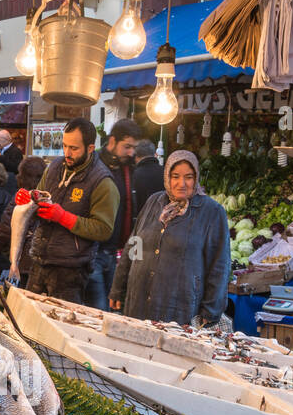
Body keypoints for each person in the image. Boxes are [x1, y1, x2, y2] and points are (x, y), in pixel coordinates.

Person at [109, 150, 230, 327]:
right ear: (167, 177)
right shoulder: (153, 202)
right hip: (138, 302)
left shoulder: (211, 212)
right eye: (175, 176)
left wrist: (211, 310)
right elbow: (134, 245)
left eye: (188, 177)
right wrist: (118, 289)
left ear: (196, 178)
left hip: (179, 307)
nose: (181, 184)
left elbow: (220, 265)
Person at [23, 118, 117, 303]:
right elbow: (37, 201)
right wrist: (29, 201)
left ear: (90, 148)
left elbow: (103, 229)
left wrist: (63, 217)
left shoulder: (103, 182)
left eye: (74, 148)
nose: (67, 153)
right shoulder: (53, 167)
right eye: (64, 146)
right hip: (39, 261)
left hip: (70, 271)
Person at [87, 118, 141, 310]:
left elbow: (133, 213)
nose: (131, 152)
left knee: (112, 312)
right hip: (93, 253)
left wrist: (135, 255)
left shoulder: (127, 169)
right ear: (112, 141)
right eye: (127, 146)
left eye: (133, 147)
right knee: (99, 312)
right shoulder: (93, 165)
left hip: (115, 254)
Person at [0, 154, 46, 287]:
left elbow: (5, 229)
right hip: (40, 261)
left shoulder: (20, 198)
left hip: (22, 261)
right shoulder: (45, 198)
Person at [131, 138, 163, 218]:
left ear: (136, 156)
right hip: (163, 221)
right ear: (155, 154)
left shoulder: (134, 175)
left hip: (141, 223)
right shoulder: (165, 172)